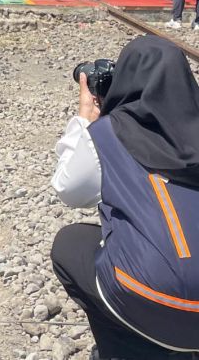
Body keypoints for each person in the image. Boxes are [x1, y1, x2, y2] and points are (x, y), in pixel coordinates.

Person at [50, 36, 199, 360]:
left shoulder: (108, 135)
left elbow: (68, 189)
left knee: (70, 242)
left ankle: (127, 345)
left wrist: (84, 119)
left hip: (151, 298)